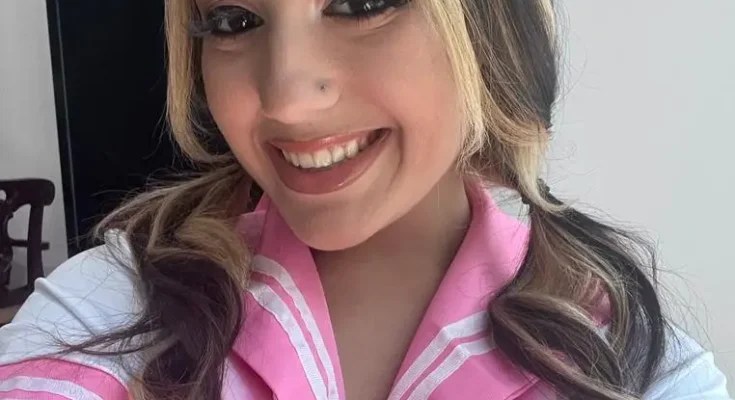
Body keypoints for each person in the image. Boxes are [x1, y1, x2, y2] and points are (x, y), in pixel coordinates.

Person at [0, 0, 730, 399]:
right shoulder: (107, 310)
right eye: (232, 21)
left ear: (485, 25)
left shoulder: (633, 366)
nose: (287, 99)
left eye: (360, 3)